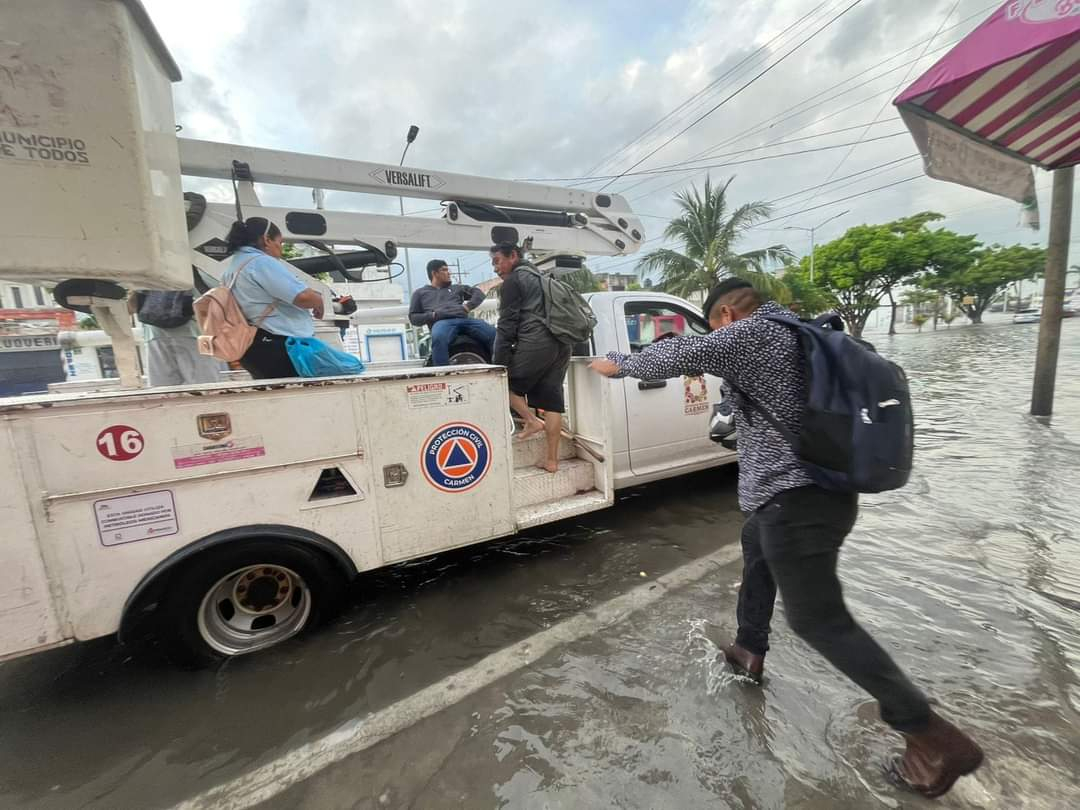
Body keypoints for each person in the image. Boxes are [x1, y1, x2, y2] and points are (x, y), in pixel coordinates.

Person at [589, 278, 983, 799]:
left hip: (796, 500)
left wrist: (610, 362)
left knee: (818, 620)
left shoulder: (753, 334)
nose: (717, 334)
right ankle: (749, 648)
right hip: (808, 495)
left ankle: (930, 735)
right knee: (756, 545)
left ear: (727, 314)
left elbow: (678, 353)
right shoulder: (796, 333)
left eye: (715, 325)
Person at [491, 242, 571, 473]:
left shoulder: (514, 281)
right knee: (552, 399)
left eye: (497, 261)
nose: (495, 268)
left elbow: (507, 324)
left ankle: (532, 420)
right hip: (562, 343)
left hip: (537, 343)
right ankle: (552, 461)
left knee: (505, 385)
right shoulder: (543, 277)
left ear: (513, 255)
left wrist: (499, 363)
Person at [221, 217, 325, 379]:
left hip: (253, 345)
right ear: (266, 239)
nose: (281, 248)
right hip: (279, 347)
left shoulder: (232, 268)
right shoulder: (261, 263)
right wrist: (320, 300)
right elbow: (303, 297)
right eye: (280, 242)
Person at [408, 259, 496, 366]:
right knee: (439, 337)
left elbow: (478, 293)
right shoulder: (420, 293)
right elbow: (413, 318)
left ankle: (498, 368)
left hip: (465, 320)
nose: (449, 273)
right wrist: (433, 315)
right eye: (444, 270)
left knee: (494, 333)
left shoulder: (457, 288)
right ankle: (442, 375)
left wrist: (468, 306)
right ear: (434, 273)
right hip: (441, 323)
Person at [133, 292, 224, 386]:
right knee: (206, 388)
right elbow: (215, 289)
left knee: (163, 392)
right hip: (195, 333)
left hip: (154, 332)